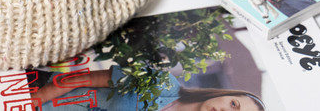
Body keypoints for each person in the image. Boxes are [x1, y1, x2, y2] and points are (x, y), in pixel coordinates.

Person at [33, 65, 265, 110]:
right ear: (226, 93)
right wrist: (35, 100)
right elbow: (84, 79)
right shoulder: (164, 84)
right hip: (36, 92)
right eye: (233, 104)